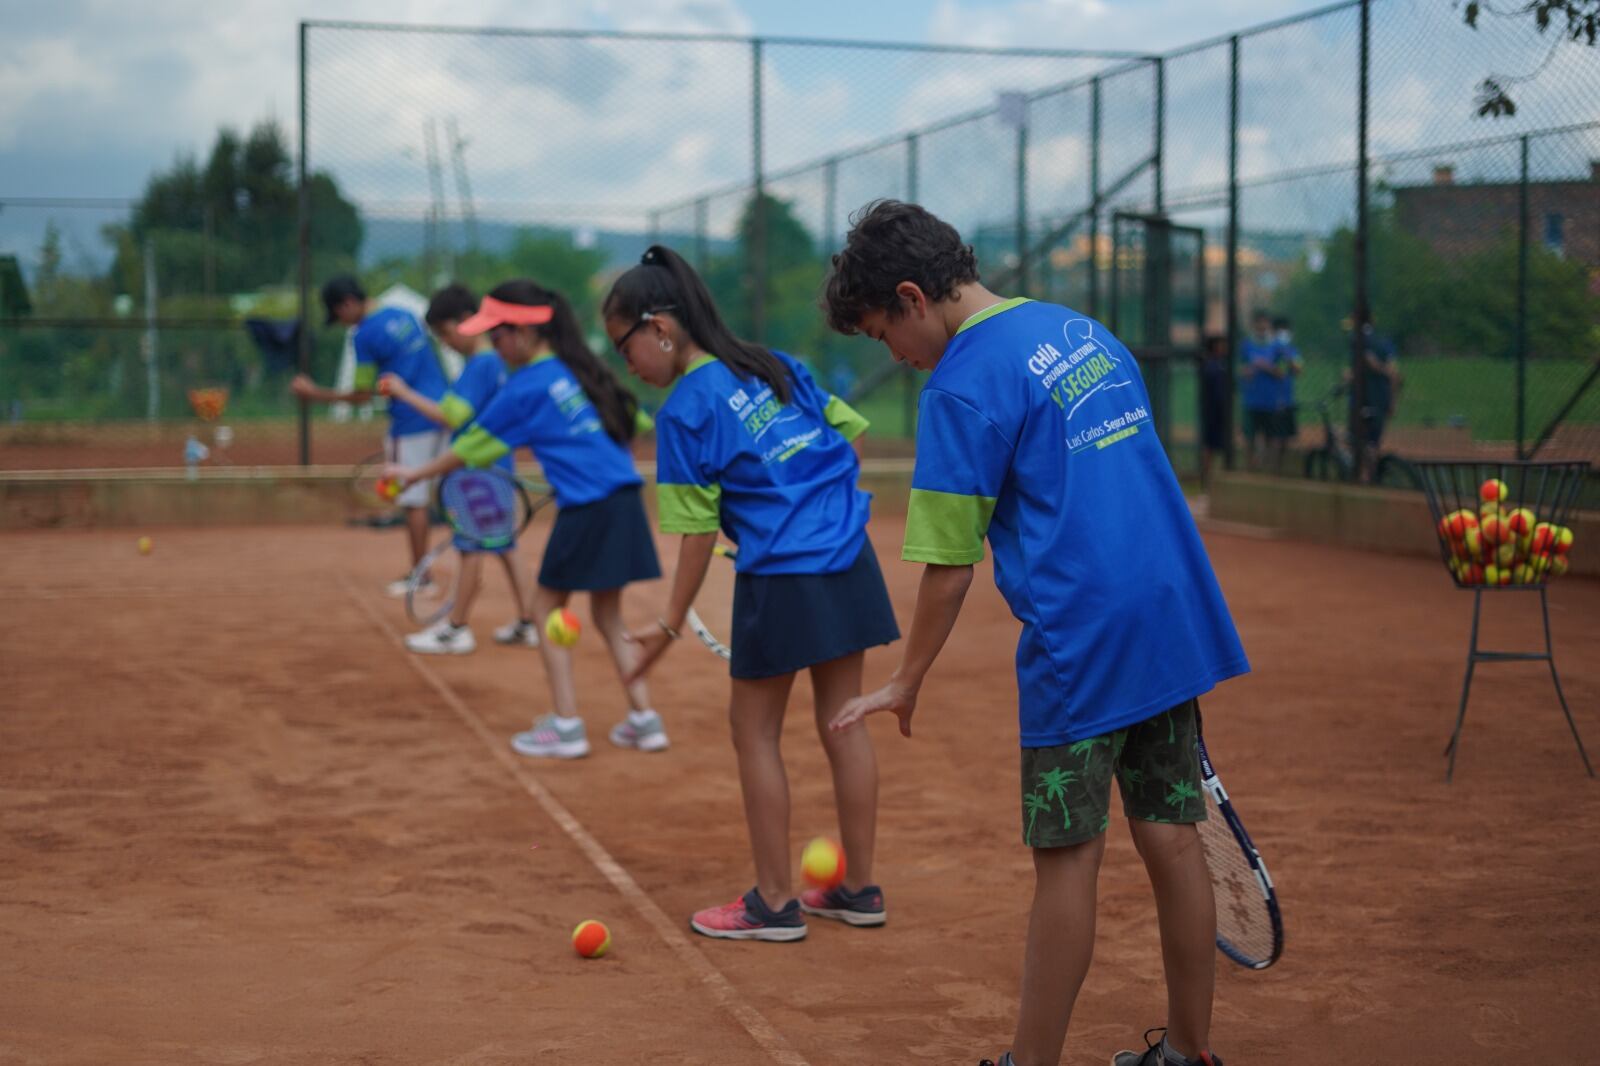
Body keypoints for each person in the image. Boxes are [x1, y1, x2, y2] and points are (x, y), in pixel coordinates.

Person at [821, 201, 1247, 1066]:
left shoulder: (961, 385)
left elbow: (948, 564)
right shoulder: (1081, 331)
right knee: (1171, 835)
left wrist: (905, 680)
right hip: (1169, 616)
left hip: (1078, 643)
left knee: (1067, 863)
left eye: (882, 336)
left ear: (913, 297)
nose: (895, 358)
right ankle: (1190, 1053)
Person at [604, 245, 899, 942]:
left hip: (783, 573)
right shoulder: (774, 364)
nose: (629, 366)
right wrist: (812, 508)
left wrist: (669, 624)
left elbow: (697, 534)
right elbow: (848, 441)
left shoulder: (683, 412)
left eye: (625, 346)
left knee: (753, 730)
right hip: (849, 557)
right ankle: (859, 889)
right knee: (844, 721)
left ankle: (773, 903)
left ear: (661, 328)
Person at [388, 281, 667, 759]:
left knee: (543, 611)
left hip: (588, 508)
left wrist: (413, 471)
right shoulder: (582, 370)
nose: (493, 349)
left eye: (496, 337)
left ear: (520, 333)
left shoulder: (524, 387)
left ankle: (565, 726)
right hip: (624, 502)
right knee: (607, 614)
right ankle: (645, 719)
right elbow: (637, 424)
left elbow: (470, 447)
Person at [378, 283, 538, 654]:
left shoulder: (481, 363)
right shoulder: (492, 361)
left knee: (470, 547)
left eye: (446, 334)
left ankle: (456, 629)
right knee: (504, 545)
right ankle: (529, 622)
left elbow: (451, 416)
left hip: (479, 470)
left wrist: (403, 393)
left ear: (467, 322)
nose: (446, 343)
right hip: (496, 467)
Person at [291, 275, 449, 597]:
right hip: (442, 413)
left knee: (413, 502)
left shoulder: (364, 335)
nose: (342, 324)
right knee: (443, 495)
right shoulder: (403, 314)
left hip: (410, 422)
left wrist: (314, 394)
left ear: (348, 303)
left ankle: (422, 577)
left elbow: (362, 395)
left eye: (339, 315)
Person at [1355, 320, 1400, 483]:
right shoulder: (1384, 343)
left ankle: (1366, 476)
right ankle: (1368, 474)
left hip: (1367, 401)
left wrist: (1376, 366)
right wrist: (1393, 401)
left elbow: (1393, 374)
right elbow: (1395, 375)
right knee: (1372, 440)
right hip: (1380, 400)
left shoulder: (1360, 342)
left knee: (1365, 439)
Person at [1238, 309, 1284, 472]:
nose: (1262, 326)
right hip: (1251, 399)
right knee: (1250, 436)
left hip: (1270, 400)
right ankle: (1250, 468)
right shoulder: (1246, 345)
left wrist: (1267, 367)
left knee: (1272, 437)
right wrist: (1247, 370)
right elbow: (1238, 369)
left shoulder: (1277, 346)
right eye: (1259, 323)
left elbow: (1283, 372)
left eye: (1265, 323)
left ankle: (1271, 470)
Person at [1269, 315, 1302, 473]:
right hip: (1271, 400)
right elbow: (1270, 368)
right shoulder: (1270, 347)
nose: (1283, 333)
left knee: (1286, 438)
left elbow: (1298, 369)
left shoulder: (1291, 349)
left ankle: (1280, 469)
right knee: (1273, 437)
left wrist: (1287, 356)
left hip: (1287, 398)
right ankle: (1271, 468)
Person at [1197, 333, 1229, 491]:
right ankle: (1206, 482)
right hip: (1212, 412)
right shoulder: (1210, 365)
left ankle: (1218, 481)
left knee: (1220, 447)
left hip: (1221, 411)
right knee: (1209, 447)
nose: (1224, 347)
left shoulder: (1221, 364)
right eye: (1220, 344)